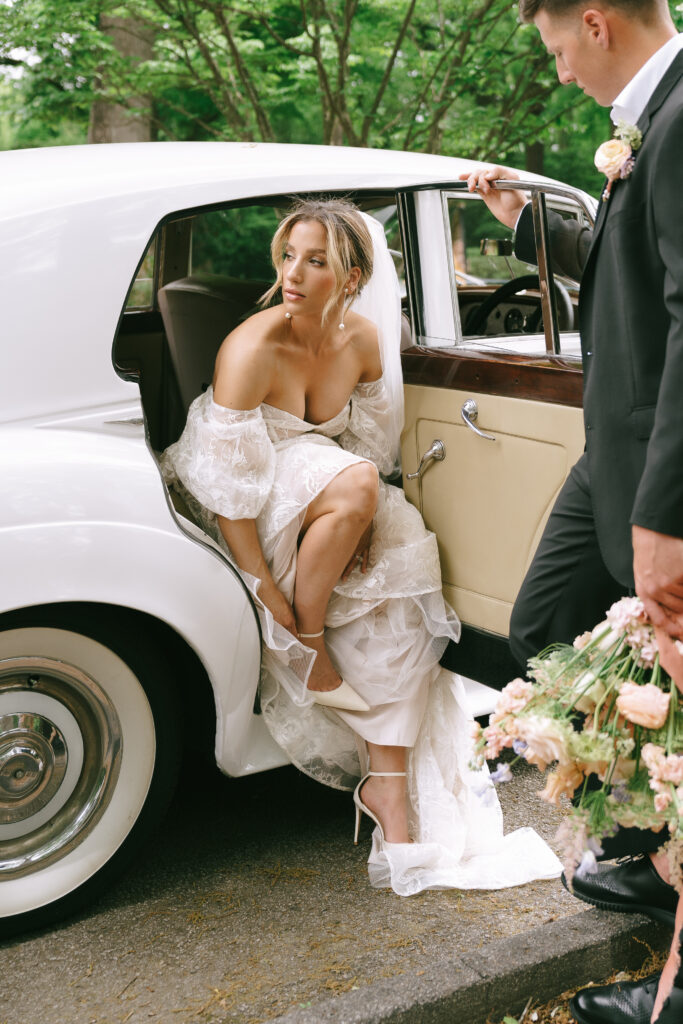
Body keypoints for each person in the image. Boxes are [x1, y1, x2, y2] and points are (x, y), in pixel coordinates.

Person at [161, 197, 562, 896]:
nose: (292, 273)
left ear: (351, 278)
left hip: (329, 495)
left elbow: (370, 449)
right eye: (287, 256)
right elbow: (228, 494)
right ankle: (311, 641)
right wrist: (268, 595)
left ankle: (388, 786)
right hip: (253, 507)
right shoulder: (251, 346)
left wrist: (362, 523)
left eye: (315, 261)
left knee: (404, 572)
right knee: (354, 490)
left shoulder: (364, 341)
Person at [463, 0, 683, 1019]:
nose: (555, 72)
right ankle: (638, 842)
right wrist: (531, 224)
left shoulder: (679, 117)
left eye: (552, 47)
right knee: (543, 626)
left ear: (591, 20)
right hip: (611, 447)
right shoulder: (649, 121)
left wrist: (664, 510)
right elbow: (628, 266)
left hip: (657, 470)